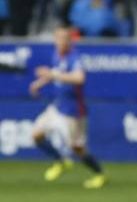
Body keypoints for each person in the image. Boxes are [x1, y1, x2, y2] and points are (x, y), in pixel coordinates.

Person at [29, 26, 106, 189]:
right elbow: (56, 73)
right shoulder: (57, 55)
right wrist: (40, 83)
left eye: (64, 38)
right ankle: (61, 161)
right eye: (58, 38)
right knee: (36, 135)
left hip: (73, 112)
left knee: (77, 149)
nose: (60, 42)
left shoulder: (74, 57)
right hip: (57, 107)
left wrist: (52, 75)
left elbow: (79, 78)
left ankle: (99, 174)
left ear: (70, 40)